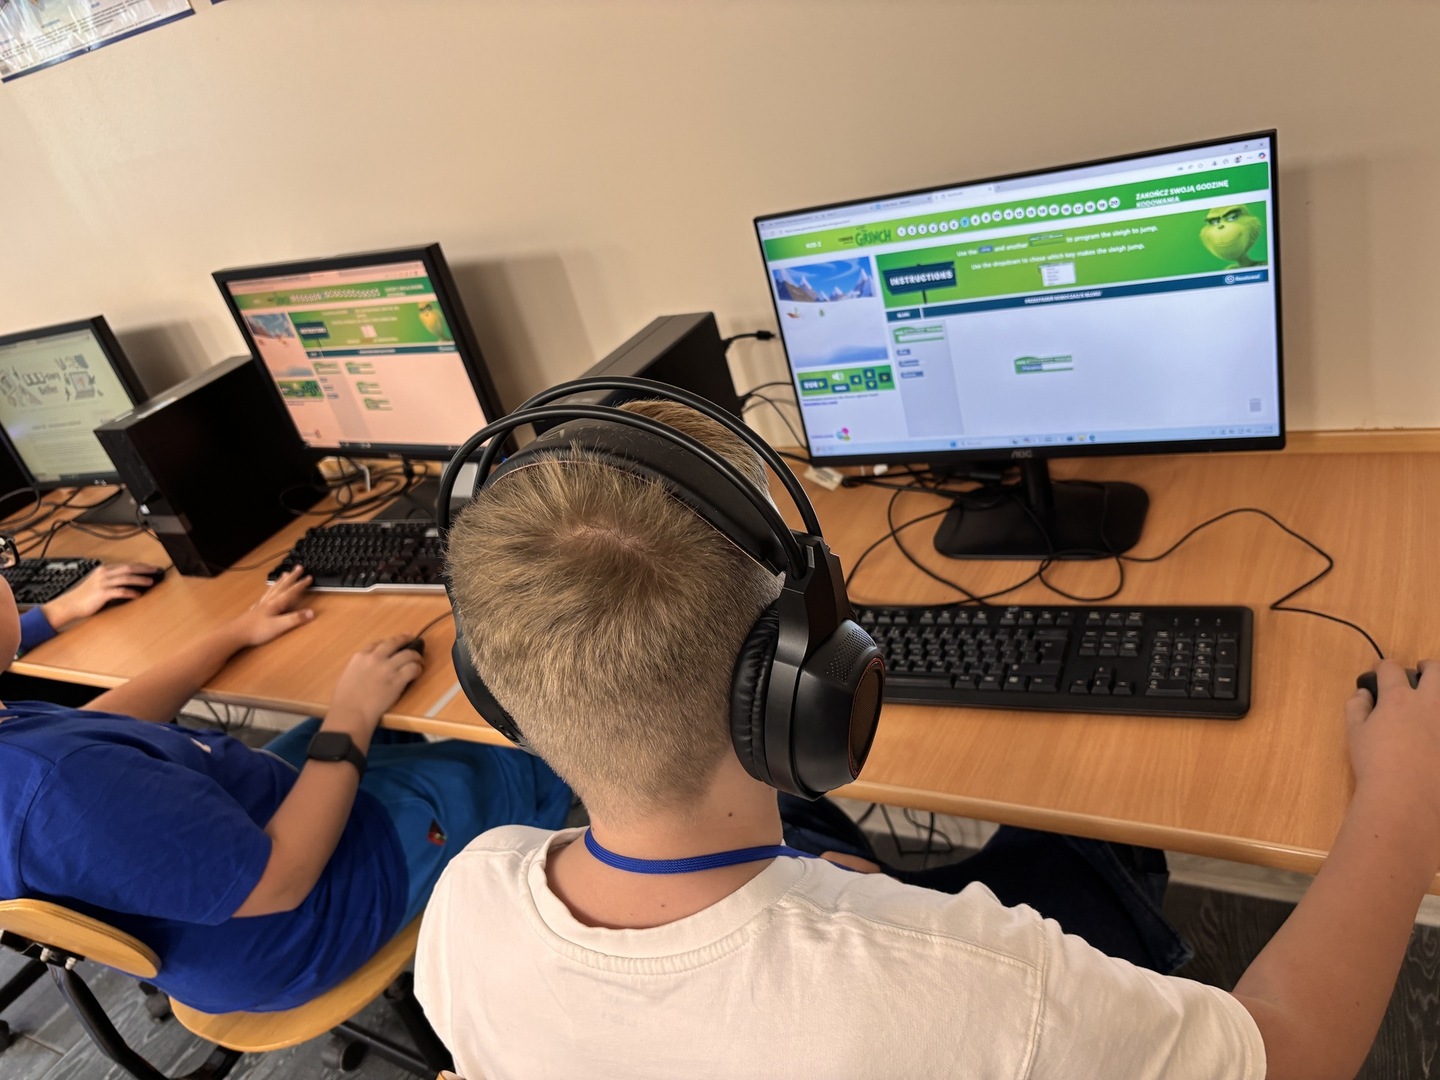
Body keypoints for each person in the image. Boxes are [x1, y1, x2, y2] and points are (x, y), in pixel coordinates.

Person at [420, 398, 1440, 1080]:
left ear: (498, 689)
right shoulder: (986, 987)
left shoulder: (467, 905)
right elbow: (1289, 1054)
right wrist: (1404, 792)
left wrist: (823, 886)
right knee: (1086, 838)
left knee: (826, 839)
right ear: (802, 680)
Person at [0, 565, 572, 1014]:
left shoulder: (26, 754)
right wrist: (351, 714)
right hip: (299, 916)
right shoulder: (59, 788)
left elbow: (99, 727)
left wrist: (232, 634)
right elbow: (280, 881)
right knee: (520, 750)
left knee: (381, 711)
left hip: (249, 830)